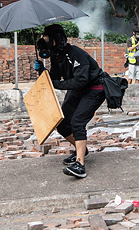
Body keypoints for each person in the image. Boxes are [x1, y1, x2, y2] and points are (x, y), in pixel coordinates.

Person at [34, 24, 106, 179]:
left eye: (47, 37)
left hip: (95, 88)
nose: (43, 40)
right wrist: (42, 72)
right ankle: (82, 150)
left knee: (77, 121)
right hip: (79, 89)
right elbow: (54, 78)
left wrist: (55, 84)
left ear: (57, 38)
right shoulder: (56, 56)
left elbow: (81, 81)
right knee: (62, 123)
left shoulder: (75, 54)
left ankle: (80, 165)